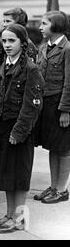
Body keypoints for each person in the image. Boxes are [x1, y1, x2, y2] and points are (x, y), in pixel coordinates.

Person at [0, 24, 44, 233]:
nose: (7, 45)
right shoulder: (1, 65)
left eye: (12, 41)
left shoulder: (30, 69)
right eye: (5, 40)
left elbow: (32, 106)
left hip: (18, 130)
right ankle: (9, 215)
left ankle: (20, 219)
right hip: (1, 127)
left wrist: (19, 132)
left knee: (18, 176)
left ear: (23, 43)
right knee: (6, 175)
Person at [34, 11, 70, 204]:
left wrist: (65, 110)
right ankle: (54, 185)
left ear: (55, 26)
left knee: (63, 148)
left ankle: (62, 189)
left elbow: (69, 82)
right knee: (52, 147)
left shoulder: (67, 49)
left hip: (60, 104)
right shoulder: (43, 48)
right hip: (47, 104)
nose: (40, 27)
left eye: (44, 23)